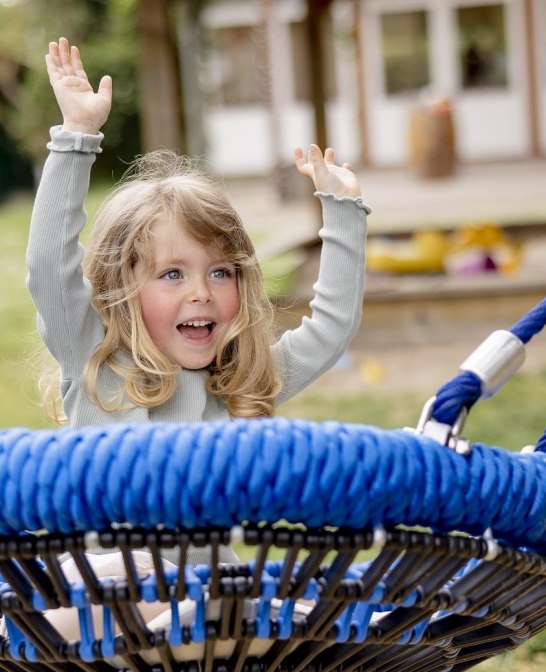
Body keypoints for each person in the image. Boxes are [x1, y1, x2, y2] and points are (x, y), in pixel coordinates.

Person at [21, 37, 370, 640]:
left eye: (221, 272)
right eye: (172, 274)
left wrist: (342, 212)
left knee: (273, 609)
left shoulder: (240, 384)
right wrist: (76, 136)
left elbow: (330, 327)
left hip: (206, 607)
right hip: (107, 596)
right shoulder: (95, 358)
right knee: (100, 585)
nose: (201, 293)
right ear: (120, 287)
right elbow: (48, 267)